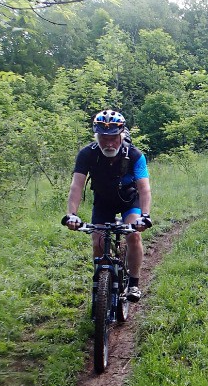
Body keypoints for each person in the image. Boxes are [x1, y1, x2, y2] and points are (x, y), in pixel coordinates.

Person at [64, 109, 152, 302]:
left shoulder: (135, 155)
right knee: (98, 242)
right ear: (97, 136)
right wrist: (72, 214)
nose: (109, 143)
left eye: (113, 137)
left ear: (121, 134)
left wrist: (145, 216)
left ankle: (134, 283)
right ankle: (101, 285)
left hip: (129, 200)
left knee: (134, 235)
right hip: (103, 202)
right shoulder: (87, 154)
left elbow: (144, 189)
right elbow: (76, 186)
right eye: (103, 138)